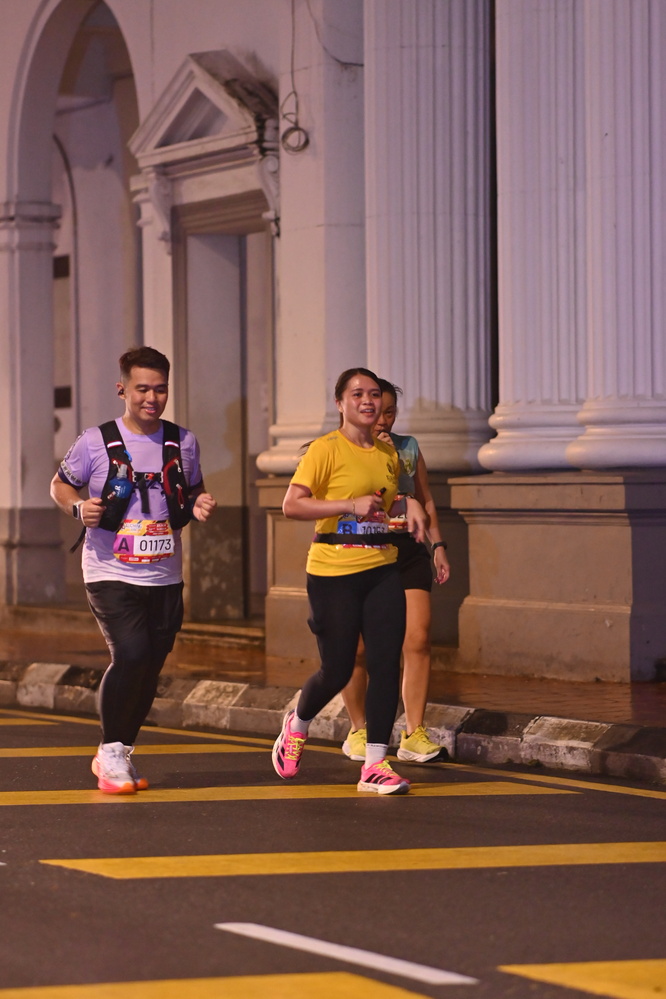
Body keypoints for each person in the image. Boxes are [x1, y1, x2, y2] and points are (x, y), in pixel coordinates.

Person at [50, 346, 217, 794]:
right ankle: (110, 751)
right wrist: (78, 507)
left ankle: (120, 750)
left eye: (160, 389)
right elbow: (60, 484)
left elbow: (193, 489)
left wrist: (199, 503)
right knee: (131, 654)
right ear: (122, 389)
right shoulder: (95, 440)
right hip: (108, 570)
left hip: (165, 574)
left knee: (149, 667)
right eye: (142, 389)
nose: (152, 398)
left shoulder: (183, 442)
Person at [274, 367, 428, 795]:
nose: (368, 401)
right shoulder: (325, 450)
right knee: (338, 668)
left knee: (385, 663)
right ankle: (297, 723)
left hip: (382, 566)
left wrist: (408, 504)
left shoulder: (387, 454)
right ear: (340, 403)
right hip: (333, 571)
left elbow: (385, 502)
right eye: (357, 394)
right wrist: (347, 505)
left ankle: (375, 764)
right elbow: (292, 505)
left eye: (374, 394)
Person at [340, 378, 451, 764]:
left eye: (390, 412)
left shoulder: (408, 448)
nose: (382, 419)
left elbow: (425, 498)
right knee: (356, 647)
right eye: (376, 410)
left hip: (406, 549)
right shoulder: (340, 449)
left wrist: (438, 546)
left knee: (417, 638)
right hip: (360, 549)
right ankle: (359, 729)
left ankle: (414, 732)